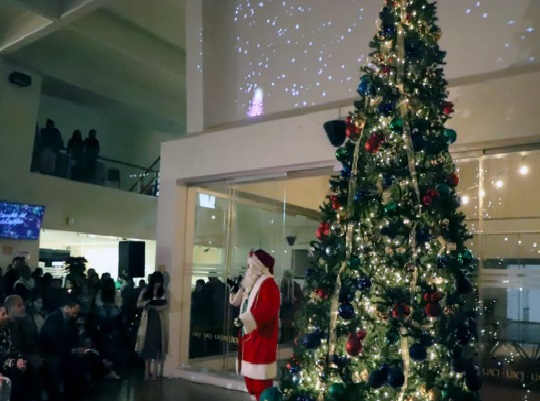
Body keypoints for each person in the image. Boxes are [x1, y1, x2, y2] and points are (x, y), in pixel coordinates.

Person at [229, 249, 280, 401]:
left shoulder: (268, 284)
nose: (248, 269)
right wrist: (236, 291)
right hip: (249, 339)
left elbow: (268, 309)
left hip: (261, 338)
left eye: (251, 266)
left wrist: (244, 320)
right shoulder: (253, 284)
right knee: (251, 384)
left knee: (261, 385)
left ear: (259, 267)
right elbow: (244, 305)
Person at [136, 271, 168, 381]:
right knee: (147, 345)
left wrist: (155, 307)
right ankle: (146, 372)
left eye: (160, 282)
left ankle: (155, 372)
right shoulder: (146, 291)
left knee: (158, 345)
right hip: (148, 320)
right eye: (156, 281)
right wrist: (146, 304)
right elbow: (138, 304)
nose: (158, 284)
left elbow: (166, 306)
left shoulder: (163, 292)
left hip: (159, 321)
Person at [279, 270, 305, 343]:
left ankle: (293, 340)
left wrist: (296, 298)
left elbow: (301, 296)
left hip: (293, 307)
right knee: (286, 324)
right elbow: (282, 296)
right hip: (286, 307)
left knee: (293, 324)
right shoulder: (283, 285)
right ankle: (286, 340)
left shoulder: (295, 285)